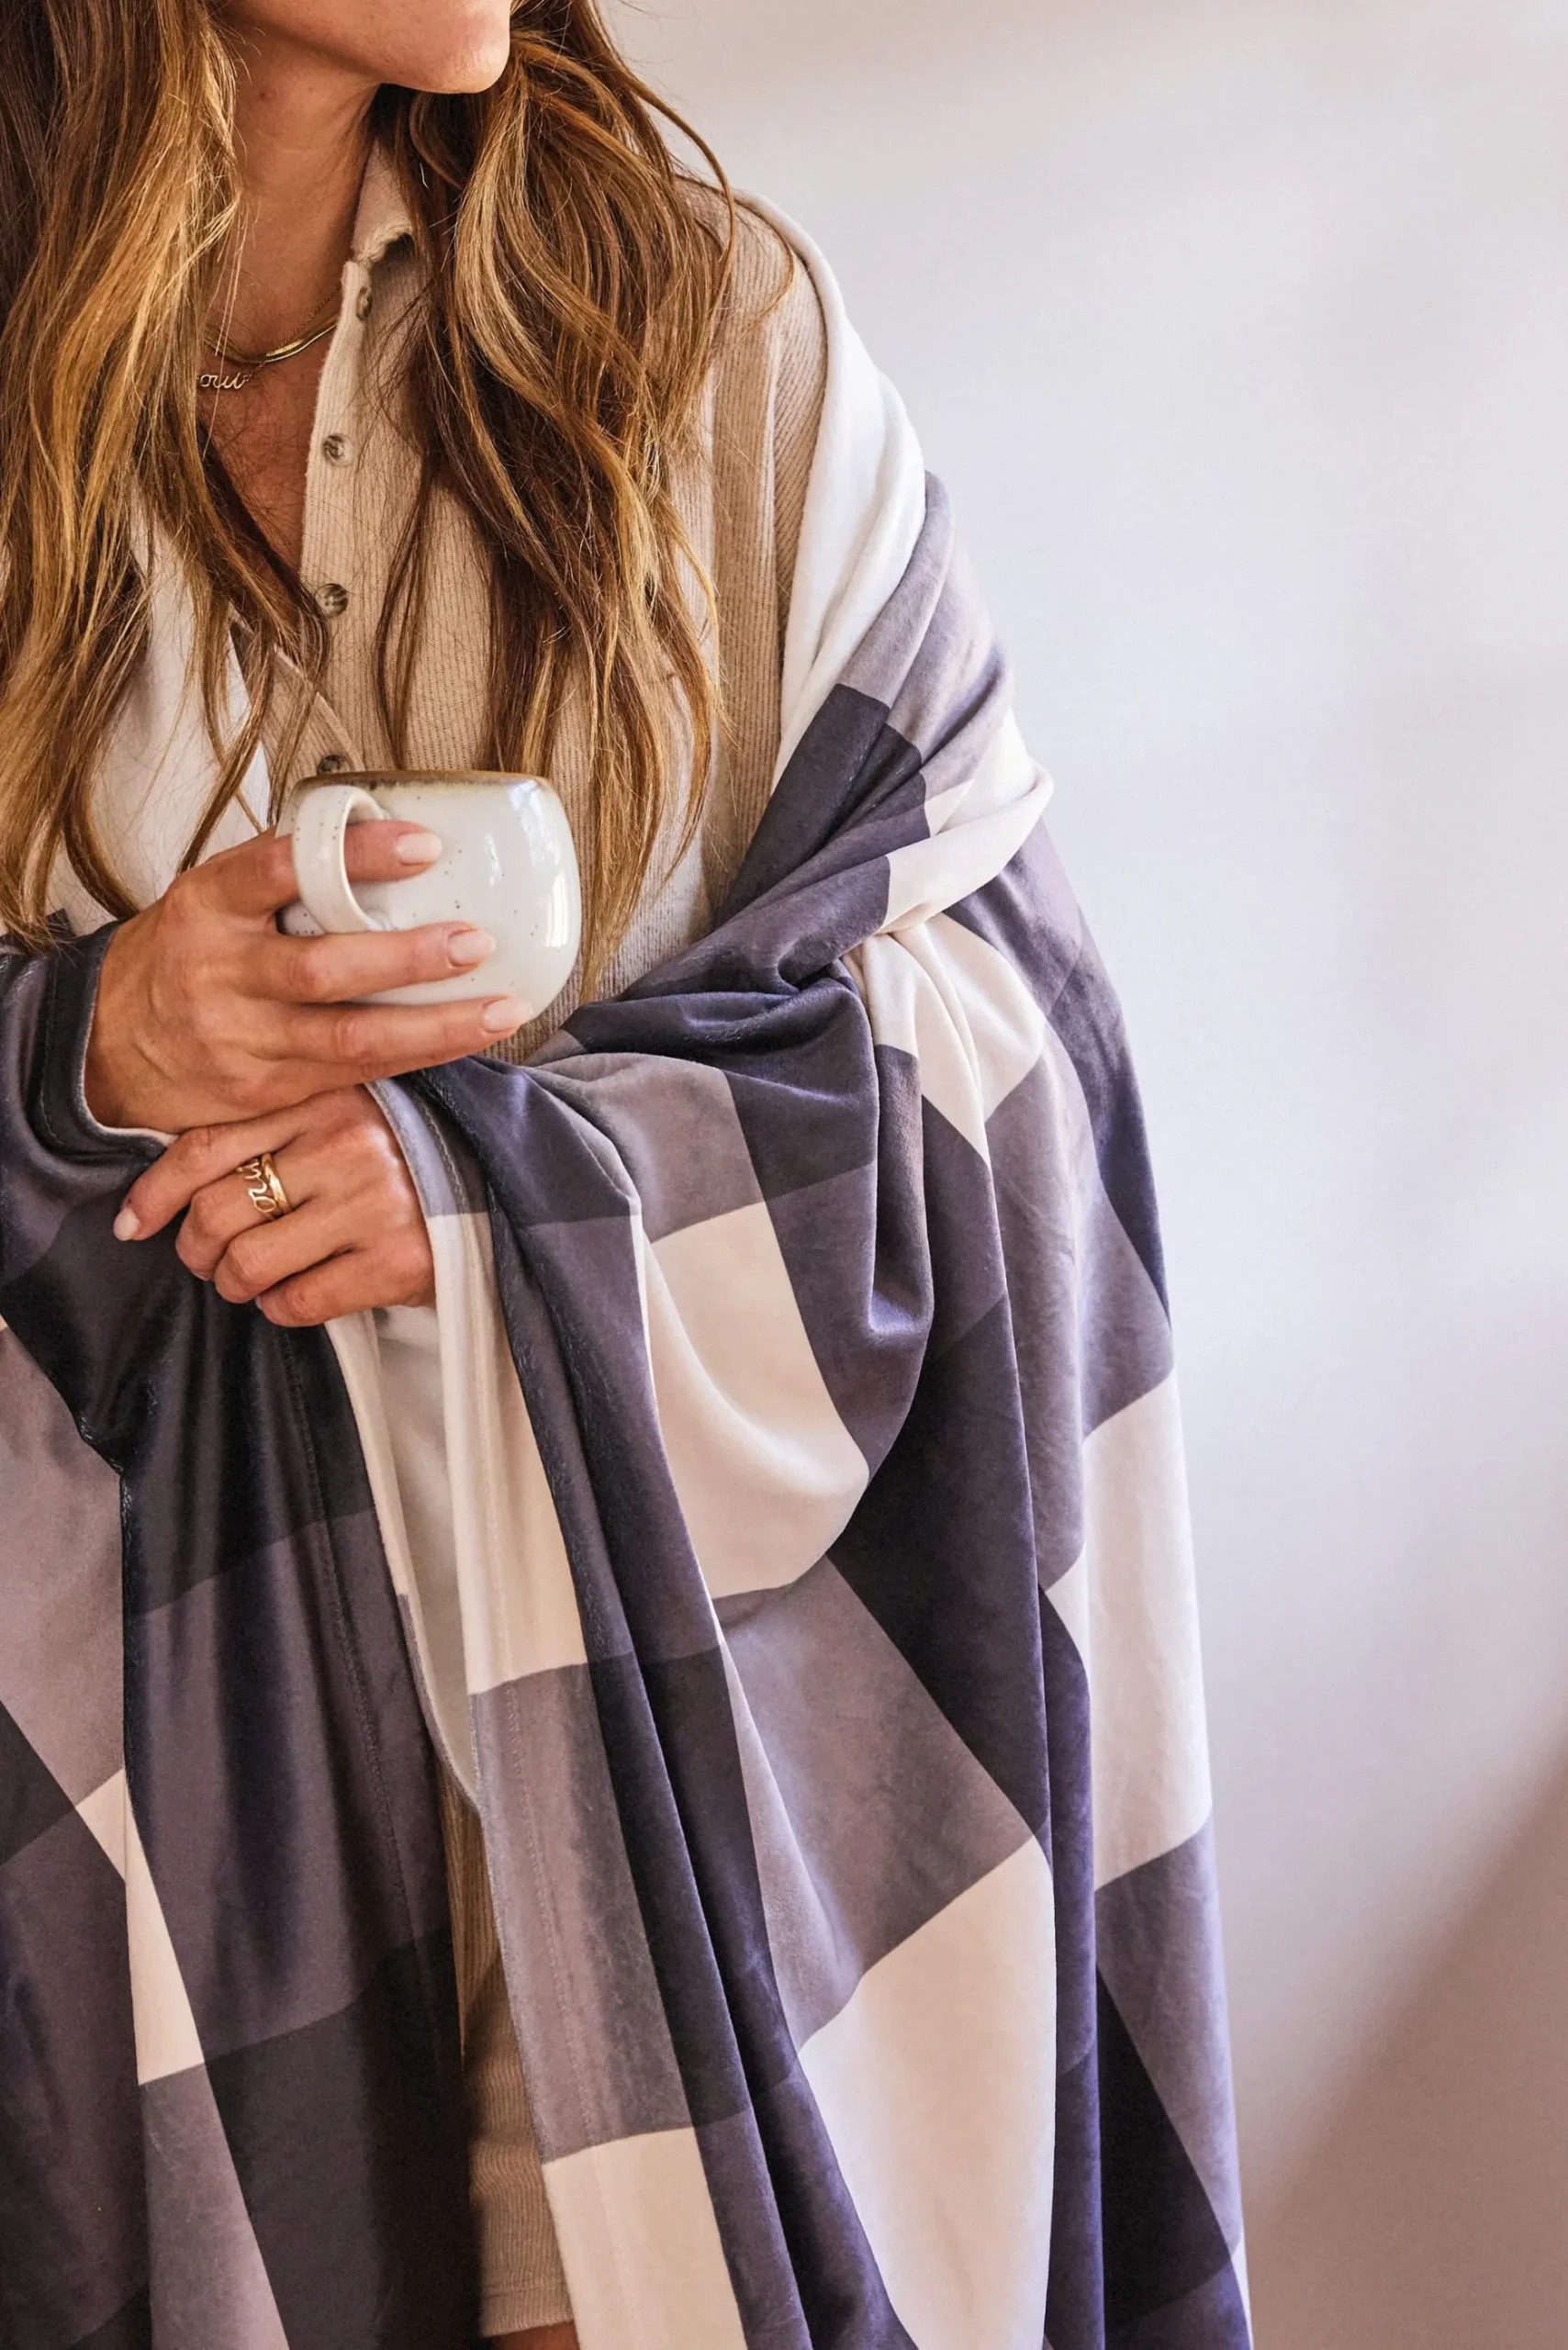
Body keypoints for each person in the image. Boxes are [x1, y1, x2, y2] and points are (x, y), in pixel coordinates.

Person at [0, 5, 1250, 2347]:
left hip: (677, 1918)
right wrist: (78, 1045)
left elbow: (1014, 1050)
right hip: (119, 1924)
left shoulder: (702, 346)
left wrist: (525, 1200)